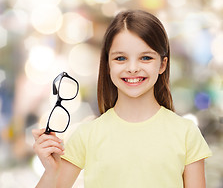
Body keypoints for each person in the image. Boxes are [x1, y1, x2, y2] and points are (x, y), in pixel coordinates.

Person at [32, 10, 212, 188]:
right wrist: (50, 171)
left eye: (146, 58)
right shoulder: (86, 135)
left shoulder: (186, 133)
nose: (132, 68)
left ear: (162, 64)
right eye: (120, 58)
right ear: (108, 65)